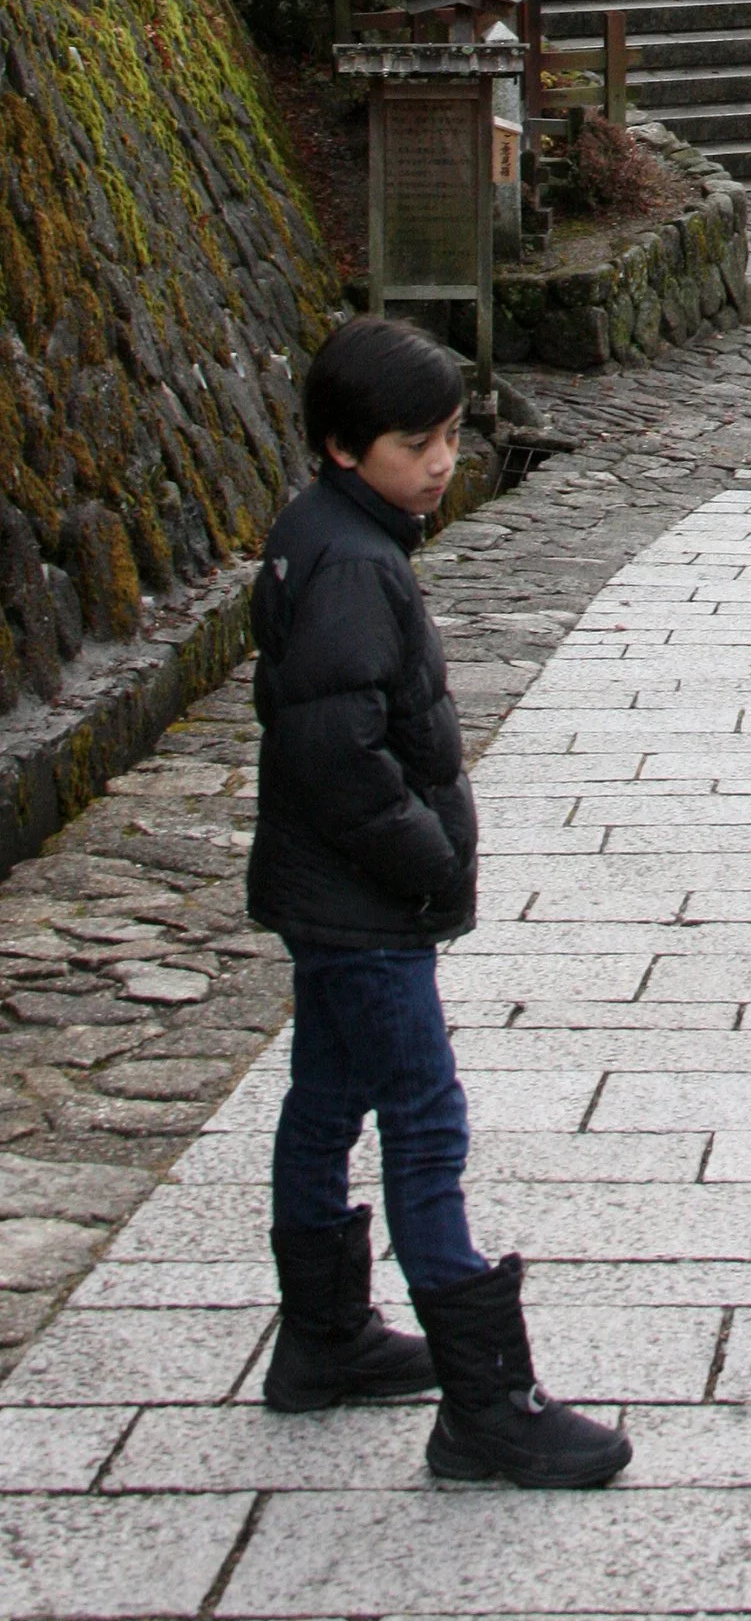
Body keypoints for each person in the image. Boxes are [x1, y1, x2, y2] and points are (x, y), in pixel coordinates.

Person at [249, 314, 631, 1489]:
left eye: (452, 435)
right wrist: (429, 856)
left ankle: (322, 1340)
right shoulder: (358, 561)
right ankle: (487, 1404)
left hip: (329, 894)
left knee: (325, 1097)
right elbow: (337, 750)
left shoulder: (326, 533)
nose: (441, 460)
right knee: (424, 1122)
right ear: (340, 446)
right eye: (418, 440)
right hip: (365, 903)